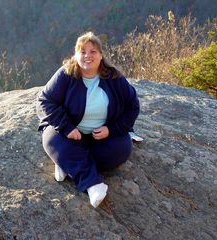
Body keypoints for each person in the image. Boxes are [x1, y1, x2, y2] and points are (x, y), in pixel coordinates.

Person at [36, 32, 140, 208]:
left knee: (121, 149)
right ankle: (93, 185)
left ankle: (67, 162)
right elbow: (44, 101)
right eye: (82, 51)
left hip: (100, 137)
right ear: (75, 55)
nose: (87, 56)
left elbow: (132, 106)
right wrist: (66, 127)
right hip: (69, 134)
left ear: (101, 55)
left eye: (93, 51)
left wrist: (111, 129)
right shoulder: (66, 74)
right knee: (52, 140)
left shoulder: (114, 77)